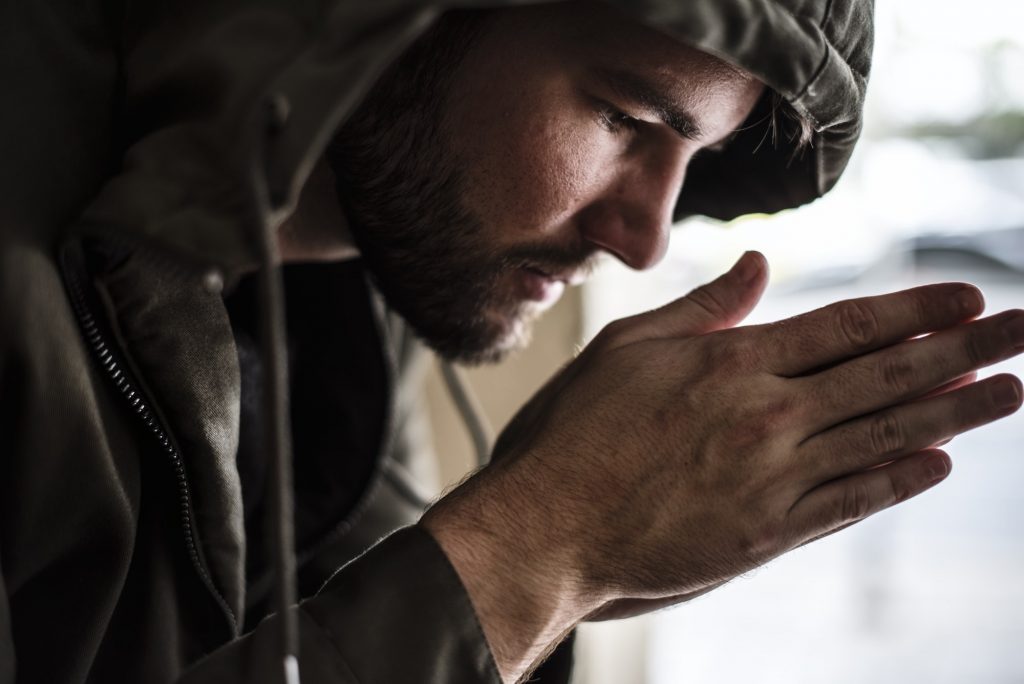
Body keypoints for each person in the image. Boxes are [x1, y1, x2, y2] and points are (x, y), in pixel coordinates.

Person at [1, 1, 1022, 683]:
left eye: (696, 156)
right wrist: (538, 548)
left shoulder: (356, 284)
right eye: (624, 118)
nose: (643, 239)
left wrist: (584, 555)